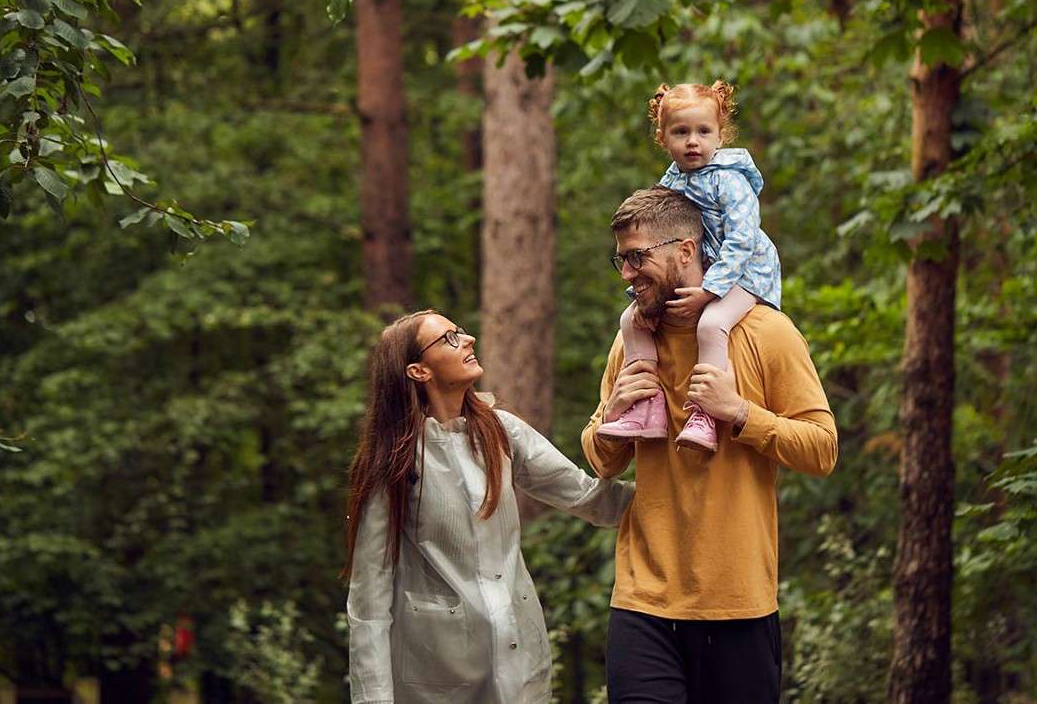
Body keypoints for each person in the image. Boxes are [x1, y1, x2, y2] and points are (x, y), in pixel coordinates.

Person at [582, 186, 838, 703]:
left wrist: (740, 413)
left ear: (685, 250)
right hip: (642, 602)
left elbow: (822, 450)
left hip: (738, 603)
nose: (627, 273)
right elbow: (603, 462)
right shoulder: (631, 343)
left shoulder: (767, 332)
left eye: (637, 257)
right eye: (621, 260)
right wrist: (612, 416)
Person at [346, 310, 633, 704]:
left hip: (519, 661)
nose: (468, 340)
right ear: (418, 371)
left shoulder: (502, 431)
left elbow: (590, 498)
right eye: (448, 339)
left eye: (461, 332)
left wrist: (680, 497)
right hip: (435, 677)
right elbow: (369, 601)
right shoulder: (394, 461)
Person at [596, 80, 781, 453]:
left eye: (703, 132)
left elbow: (742, 240)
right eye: (681, 132)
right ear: (663, 138)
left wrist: (711, 290)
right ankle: (646, 405)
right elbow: (660, 236)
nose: (693, 142)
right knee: (631, 320)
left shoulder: (730, 180)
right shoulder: (672, 181)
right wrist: (643, 292)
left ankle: (705, 414)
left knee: (712, 324)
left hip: (746, 272)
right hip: (707, 269)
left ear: (720, 135)